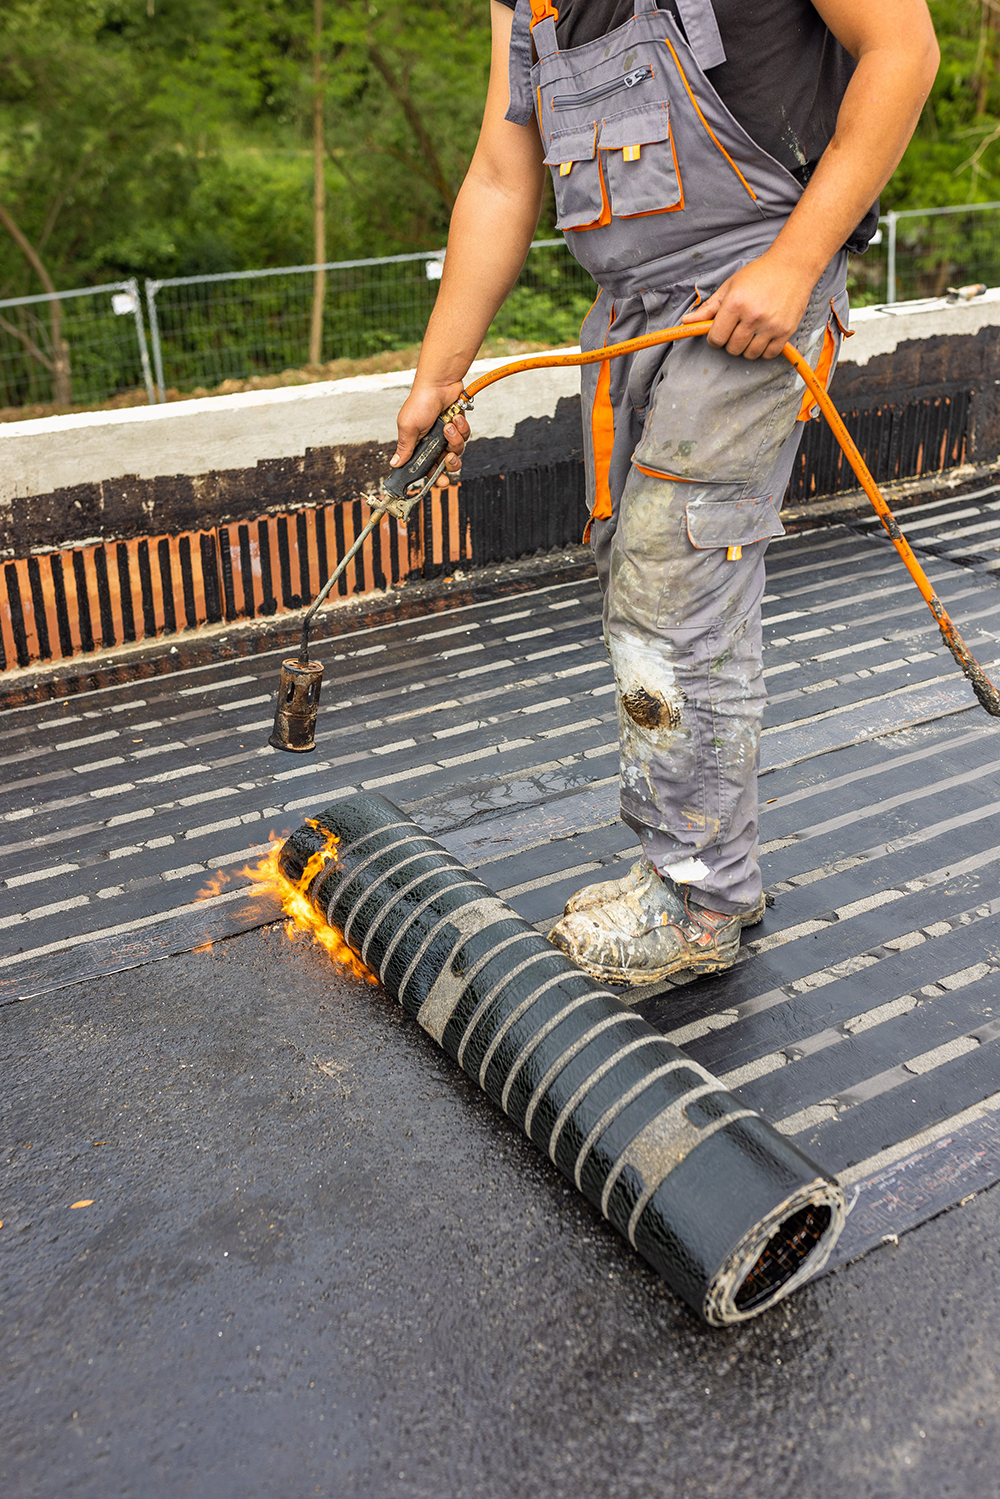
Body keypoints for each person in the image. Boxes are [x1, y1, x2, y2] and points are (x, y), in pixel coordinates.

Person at [391, 0, 939, 987]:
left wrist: (795, 260)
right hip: (635, 315)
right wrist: (440, 374)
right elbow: (500, 174)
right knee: (646, 572)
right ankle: (704, 858)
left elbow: (901, 49)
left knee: (672, 579)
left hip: (757, 292)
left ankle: (698, 898)